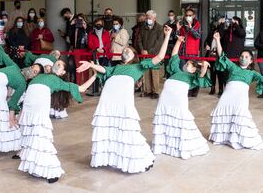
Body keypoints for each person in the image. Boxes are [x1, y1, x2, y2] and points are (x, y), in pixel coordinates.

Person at [77, 25, 172, 173]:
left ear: (134, 56)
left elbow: (159, 57)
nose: (126, 49)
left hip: (122, 103)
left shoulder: (138, 67)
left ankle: (138, 158)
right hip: (107, 103)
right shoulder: (115, 68)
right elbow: (103, 69)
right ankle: (109, 158)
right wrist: (91, 64)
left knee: (127, 131)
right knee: (108, 129)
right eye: (124, 49)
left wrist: (167, 36)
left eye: (129, 49)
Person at [18, 60, 97, 183]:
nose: (56, 64)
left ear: (63, 72)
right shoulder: (42, 75)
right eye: (56, 63)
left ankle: (51, 171)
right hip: (28, 106)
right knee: (30, 135)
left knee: (41, 137)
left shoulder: (59, 81)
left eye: (59, 64)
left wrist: (95, 75)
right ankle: (34, 166)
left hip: (39, 107)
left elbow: (82, 88)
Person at [0, 32, 43, 153]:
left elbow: (13, 101)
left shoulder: (22, 84)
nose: (32, 70)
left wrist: (12, 117)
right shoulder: (15, 66)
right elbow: (2, 54)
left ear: (34, 77)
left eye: (35, 72)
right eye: (32, 67)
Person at [209, 32, 263, 150]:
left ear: (251, 60)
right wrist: (217, 40)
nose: (243, 58)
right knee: (223, 114)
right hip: (227, 95)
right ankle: (222, 137)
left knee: (240, 116)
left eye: (246, 57)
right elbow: (222, 56)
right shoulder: (233, 67)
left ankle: (240, 139)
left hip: (240, 97)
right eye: (242, 56)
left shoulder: (252, 73)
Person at [152, 36, 211, 159]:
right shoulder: (176, 71)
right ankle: (162, 145)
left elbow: (201, 76)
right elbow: (174, 57)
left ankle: (181, 146)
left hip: (178, 101)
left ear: (194, 69)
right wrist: (178, 41)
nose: (186, 65)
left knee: (181, 121)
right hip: (165, 100)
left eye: (189, 65)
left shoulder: (192, 78)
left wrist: (204, 66)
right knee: (164, 119)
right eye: (187, 64)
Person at [137, 10, 164, 99]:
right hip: (144, 54)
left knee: (154, 73)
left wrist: (149, 51)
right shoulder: (142, 28)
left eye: (150, 17)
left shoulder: (160, 28)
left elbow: (159, 43)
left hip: (154, 55)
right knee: (146, 73)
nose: (148, 19)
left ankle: (155, 92)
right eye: (147, 17)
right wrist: (142, 50)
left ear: (154, 18)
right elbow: (139, 40)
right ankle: (147, 90)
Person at [218, 16, 246, 95]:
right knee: (225, 76)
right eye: (232, 22)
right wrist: (221, 24)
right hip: (227, 57)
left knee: (235, 75)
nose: (232, 23)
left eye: (235, 22)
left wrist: (236, 25)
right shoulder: (227, 31)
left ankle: (235, 92)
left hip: (237, 58)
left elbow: (241, 33)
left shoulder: (241, 31)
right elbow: (220, 35)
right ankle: (226, 91)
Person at [178, 6, 201, 97]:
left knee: (193, 71)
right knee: (184, 71)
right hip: (182, 52)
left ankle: (194, 90)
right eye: (187, 15)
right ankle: (185, 89)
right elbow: (177, 36)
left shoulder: (197, 25)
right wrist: (177, 29)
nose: (188, 17)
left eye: (190, 15)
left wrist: (191, 28)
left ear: (194, 15)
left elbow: (198, 36)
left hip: (193, 52)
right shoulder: (182, 24)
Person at [68, 13, 91, 85]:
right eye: (78, 19)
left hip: (86, 49)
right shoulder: (74, 27)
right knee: (78, 67)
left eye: (81, 19)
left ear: (84, 19)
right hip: (76, 49)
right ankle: (78, 84)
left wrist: (85, 28)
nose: (80, 21)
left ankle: (86, 84)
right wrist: (71, 24)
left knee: (85, 67)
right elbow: (69, 36)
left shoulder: (88, 27)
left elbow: (90, 37)